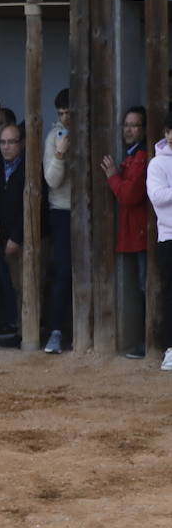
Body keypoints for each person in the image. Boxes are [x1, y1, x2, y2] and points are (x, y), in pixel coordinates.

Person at [101, 106, 150, 358]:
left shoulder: (142, 157)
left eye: (135, 125)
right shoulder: (132, 155)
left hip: (142, 233)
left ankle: (151, 341)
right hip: (135, 232)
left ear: (143, 129)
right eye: (126, 124)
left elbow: (130, 195)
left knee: (147, 287)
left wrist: (112, 177)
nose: (129, 130)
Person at [41, 89, 74, 354]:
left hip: (91, 211)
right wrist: (61, 153)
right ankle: (56, 331)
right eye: (61, 113)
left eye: (68, 112)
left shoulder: (93, 132)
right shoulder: (55, 136)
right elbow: (52, 180)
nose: (65, 118)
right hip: (61, 210)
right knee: (62, 272)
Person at [144, 108, 172, 371]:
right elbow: (159, 197)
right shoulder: (157, 164)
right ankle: (170, 349)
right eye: (170, 130)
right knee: (169, 294)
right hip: (169, 237)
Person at [0, 123, 25, 338]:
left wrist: (17, 237)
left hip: (23, 237)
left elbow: (32, 207)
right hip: (1, 233)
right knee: (6, 282)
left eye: (11, 142)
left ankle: (25, 329)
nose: (6, 147)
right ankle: (10, 325)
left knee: (24, 284)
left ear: (21, 143)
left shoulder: (30, 168)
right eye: (3, 142)